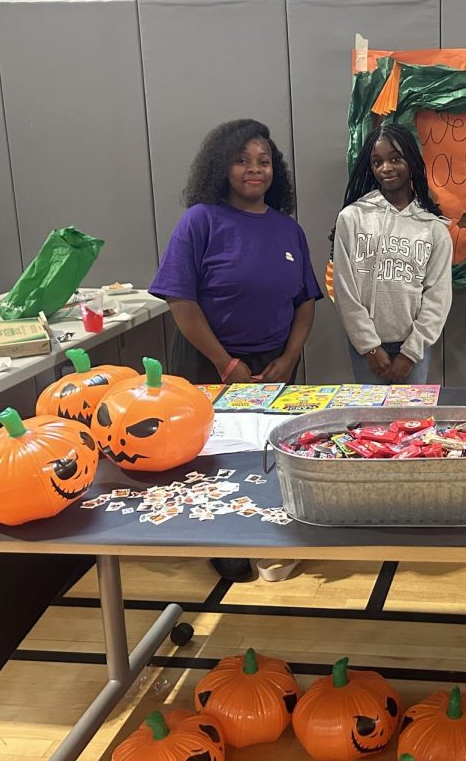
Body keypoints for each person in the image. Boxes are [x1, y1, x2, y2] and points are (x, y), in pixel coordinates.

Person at [150, 118, 322, 584]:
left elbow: (306, 302)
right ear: (221, 167)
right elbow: (180, 301)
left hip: (275, 367)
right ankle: (222, 543)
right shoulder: (200, 221)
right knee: (214, 460)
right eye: (242, 160)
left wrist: (287, 361)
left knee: (276, 456)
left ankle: (276, 537)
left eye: (263, 162)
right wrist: (227, 364)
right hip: (210, 365)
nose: (254, 170)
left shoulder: (288, 230)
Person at [331, 122, 452, 385]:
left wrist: (410, 354)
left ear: (411, 161)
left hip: (415, 349)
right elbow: (344, 289)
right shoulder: (351, 218)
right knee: (370, 422)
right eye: (377, 162)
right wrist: (369, 347)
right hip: (366, 348)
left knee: (413, 421)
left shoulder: (434, 228)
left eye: (395, 159)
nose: (385, 168)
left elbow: (437, 298)